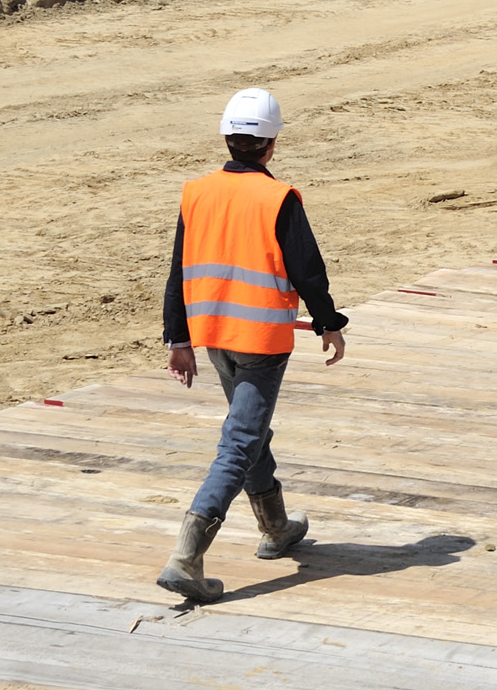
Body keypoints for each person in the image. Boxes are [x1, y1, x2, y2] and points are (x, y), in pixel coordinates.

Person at [156, 86, 348, 604]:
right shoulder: (278, 197)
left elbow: (178, 271)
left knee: (250, 430)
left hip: (213, 334)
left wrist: (179, 338)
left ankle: (278, 527)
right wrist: (329, 322)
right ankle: (186, 555)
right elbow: (307, 269)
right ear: (272, 144)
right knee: (240, 442)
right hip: (261, 340)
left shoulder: (196, 192)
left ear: (227, 138)